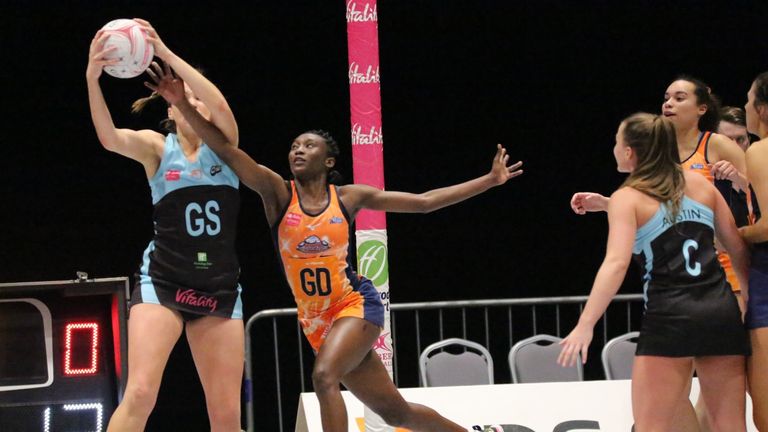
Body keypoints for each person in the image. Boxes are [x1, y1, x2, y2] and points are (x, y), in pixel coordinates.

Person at [176, 95, 522, 428]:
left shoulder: (348, 198)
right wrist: (180, 104)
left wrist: (489, 180)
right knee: (396, 413)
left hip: (355, 305)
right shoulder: (278, 193)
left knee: (324, 376)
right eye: (295, 145)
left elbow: (425, 202)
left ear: (328, 162)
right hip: (315, 322)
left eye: (309, 146)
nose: (298, 149)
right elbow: (226, 149)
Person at [87, 19, 244, 431]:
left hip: (219, 289)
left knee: (226, 415)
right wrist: (92, 77)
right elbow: (108, 137)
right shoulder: (159, 149)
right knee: (139, 393)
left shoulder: (225, 150)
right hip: (165, 282)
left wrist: (164, 51)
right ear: (170, 109)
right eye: (183, 98)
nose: (194, 103)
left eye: (198, 98)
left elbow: (222, 107)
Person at [558, 112, 749, 431]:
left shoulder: (628, 197)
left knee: (650, 425)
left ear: (629, 152)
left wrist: (585, 323)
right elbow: (737, 247)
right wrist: (750, 302)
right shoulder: (701, 185)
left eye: (616, 141)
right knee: (730, 424)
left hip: (670, 316)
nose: (614, 147)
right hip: (720, 312)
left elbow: (616, 263)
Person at [739, 71, 768, 429]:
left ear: (761, 109)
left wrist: (730, 233)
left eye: (747, 101)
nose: (745, 107)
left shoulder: (760, 150)